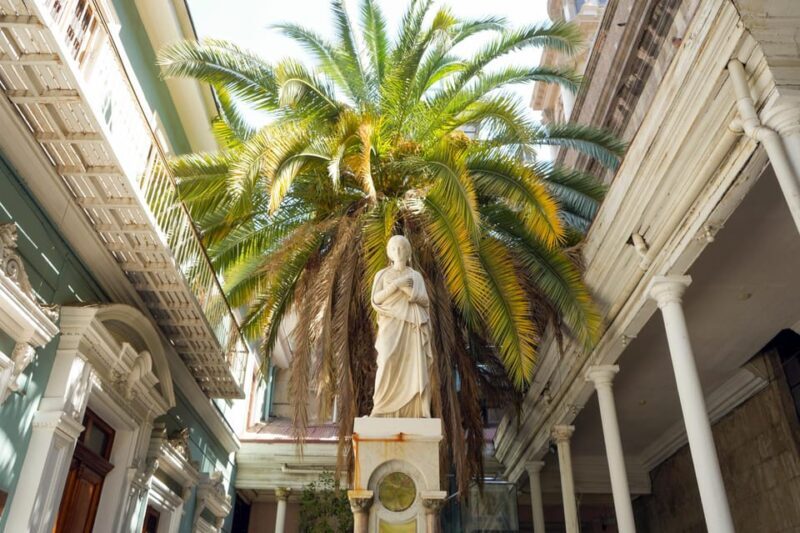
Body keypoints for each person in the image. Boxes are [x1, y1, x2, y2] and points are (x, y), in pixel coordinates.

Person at [370, 235, 433, 418]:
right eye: (394, 248)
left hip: (412, 324)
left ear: (408, 252)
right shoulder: (382, 275)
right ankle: (380, 408)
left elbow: (424, 301)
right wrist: (397, 284)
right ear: (389, 253)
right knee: (387, 359)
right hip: (390, 323)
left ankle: (419, 410)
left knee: (415, 364)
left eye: (402, 248)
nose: (398, 251)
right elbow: (376, 299)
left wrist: (407, 290)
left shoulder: (415, 276)